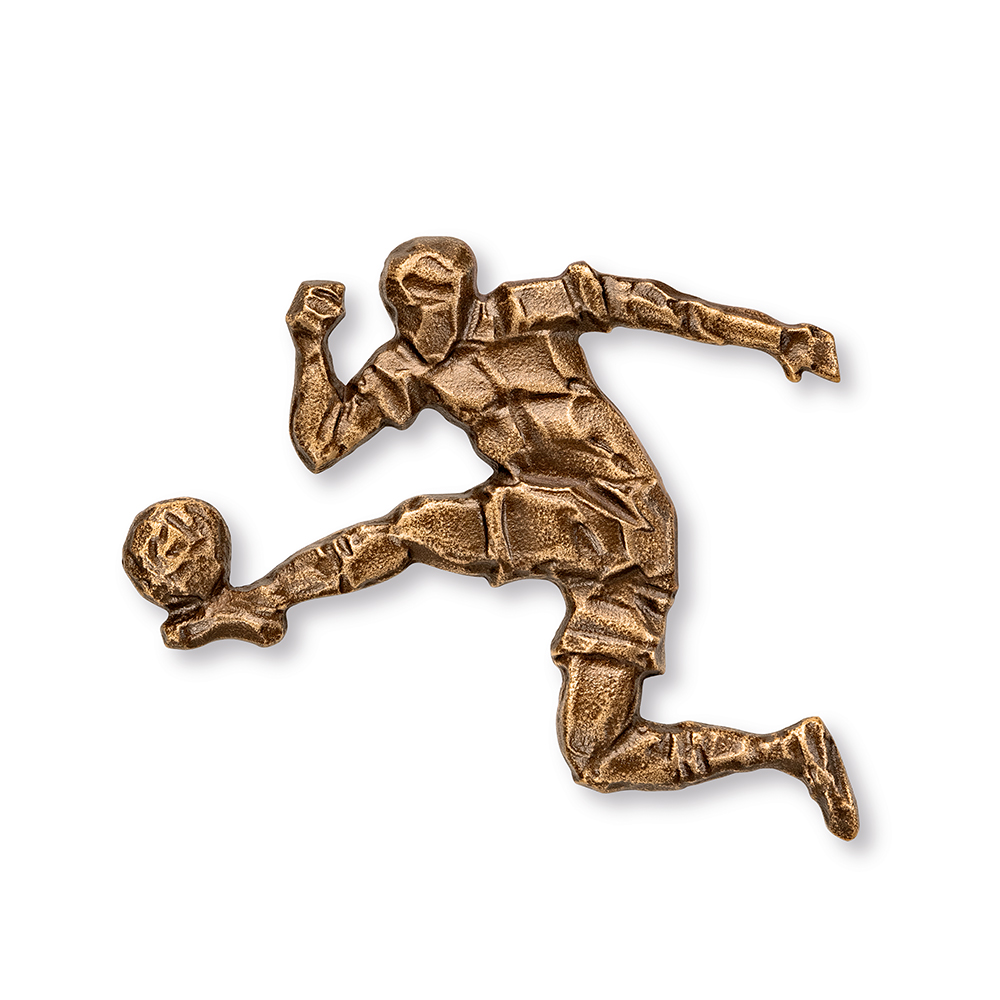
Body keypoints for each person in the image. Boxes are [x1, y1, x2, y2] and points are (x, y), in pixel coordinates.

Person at [123, 237, 857, 839]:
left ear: (465, 291)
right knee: (597, 755)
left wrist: (775, 337)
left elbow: (658, 306)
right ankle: (789, 750)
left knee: (412, 527)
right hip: (572, 531)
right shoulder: (407, 364)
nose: (424, 325)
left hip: (622, 513)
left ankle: (257, 602)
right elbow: (321, 444)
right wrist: (309, 343)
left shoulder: (533, 307)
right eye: (407, 309)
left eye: (436, 302)